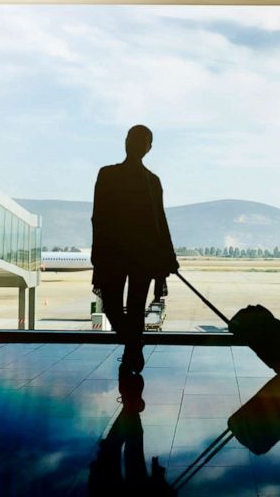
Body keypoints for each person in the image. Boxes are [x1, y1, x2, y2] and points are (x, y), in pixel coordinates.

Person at [92, 124, 179, 373]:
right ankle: (134, 344)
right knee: (121, 307)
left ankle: (133, 347)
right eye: (134, 139)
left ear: (147, 148)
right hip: (133, 255)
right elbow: (159, 222)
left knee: (123, 307)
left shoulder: (141, 180)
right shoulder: (145, 180)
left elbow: (159, 222)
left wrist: (168, 256)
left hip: (129, 255)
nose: (136, 144)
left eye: (141, 141)